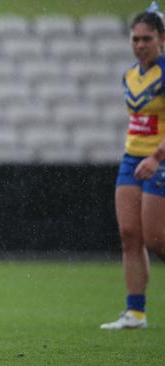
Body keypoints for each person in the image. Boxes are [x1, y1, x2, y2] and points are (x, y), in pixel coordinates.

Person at [101, 1, 165, 330]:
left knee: (156, 239)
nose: (140, 45)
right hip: (132, 158)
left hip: (160, 158)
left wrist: (156, 157)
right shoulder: (129, 76)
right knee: (129, 234)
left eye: (147, 38)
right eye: (135, 39)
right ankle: (135, 312)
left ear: (162, 39)